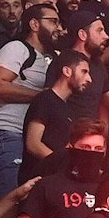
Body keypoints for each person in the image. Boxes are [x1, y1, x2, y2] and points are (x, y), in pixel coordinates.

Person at [0, 2, 60, 196]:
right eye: (52, 22)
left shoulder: (49, 57)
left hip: (27, 139)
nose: (58, 28)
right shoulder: (17, 48)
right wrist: (42, 97)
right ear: (34, 24)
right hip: (8, 132)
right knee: (10, 200)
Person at [20, 50, 95, 182]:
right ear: (67, 71)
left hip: (55, 181)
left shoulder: (67, 109)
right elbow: (33, 143)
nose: (89, 79)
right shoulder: (45, 99)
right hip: (36, 181)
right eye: (84, 71)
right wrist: (63, 164)